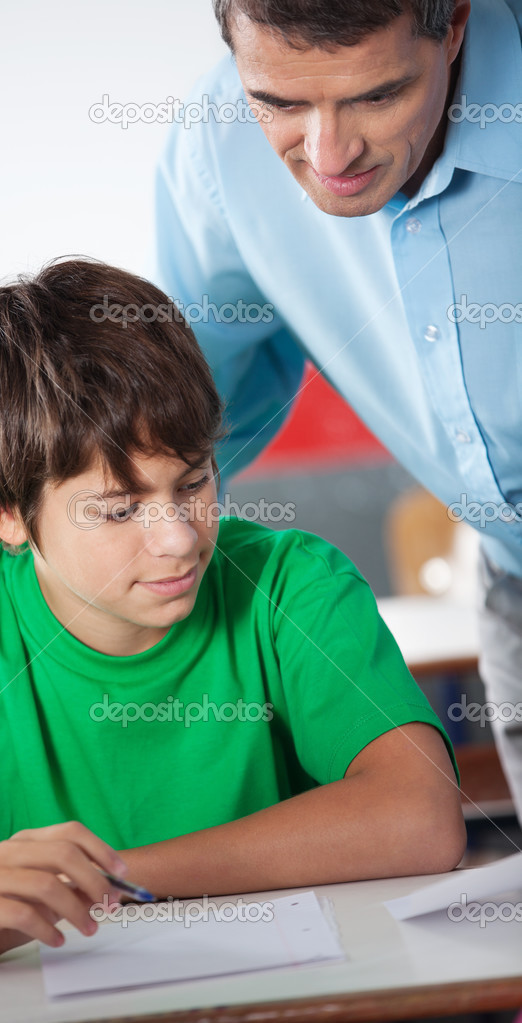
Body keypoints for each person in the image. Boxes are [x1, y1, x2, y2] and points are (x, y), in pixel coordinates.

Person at [0, 257, 464, 971]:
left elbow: (421, 816)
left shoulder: (295, 583)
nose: (180, 537)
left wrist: (110, 877)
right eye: (119, 508)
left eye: (194, 481)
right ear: (5, 510)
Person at [149, 0, 522, 823]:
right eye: (279, 104)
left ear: (452, 23)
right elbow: (184, 421)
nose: (329, 154)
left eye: (377, 95)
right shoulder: (217, 146)